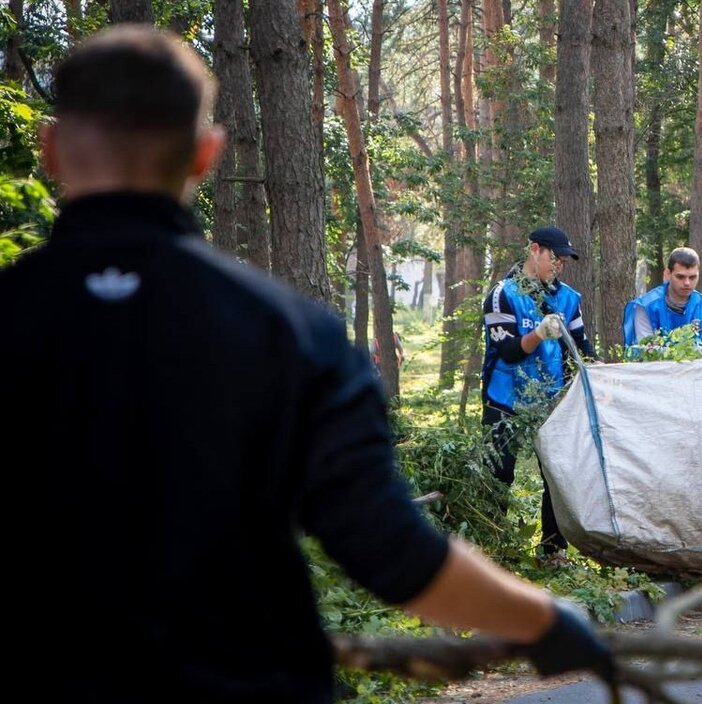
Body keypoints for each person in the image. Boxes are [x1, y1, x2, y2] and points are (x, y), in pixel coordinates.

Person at [0, 27, 612, 702]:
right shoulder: (289, 335)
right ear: (206, 154)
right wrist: (543, 619)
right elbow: (391, 552)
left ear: (51, 147)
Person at [482, 226, 595, 559]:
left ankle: (553, 550)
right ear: (535, 250)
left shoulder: (568, 298)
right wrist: (541, 334)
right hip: (504, 397)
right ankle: (491, 548)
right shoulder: (503, 294)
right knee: (499, 472)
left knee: (557, 475)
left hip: (549, 398)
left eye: (563, 260)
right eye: (554, 257)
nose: (558, 265)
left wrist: (597, 369)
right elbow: (509, 351)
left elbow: (581, 348)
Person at [621, 246, 702, 357]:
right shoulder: (645, 306)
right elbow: (645, 352)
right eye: (680, 277)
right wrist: (686, 353)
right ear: (668, 274)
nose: (687, 283)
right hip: (658, 373)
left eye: (692, 277)